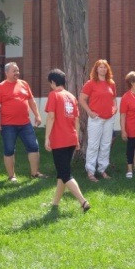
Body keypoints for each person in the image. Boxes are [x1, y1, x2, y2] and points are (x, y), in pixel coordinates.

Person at [44, 69, 91, 212]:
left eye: (50, 83)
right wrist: (76, 138)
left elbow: (51, 117)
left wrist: (47, 137)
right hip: (71, 138)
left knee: (65, 174)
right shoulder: (71, 96)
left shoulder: (54, 95)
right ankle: (55, 203)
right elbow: (76, 120)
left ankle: (83, 202)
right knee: (62, 173)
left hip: (59, 140)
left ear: (53, 82)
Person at [0, 61, 44, 182]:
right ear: (6, 73)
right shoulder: (0, 87)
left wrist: (37, 115)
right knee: (9, 149)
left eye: (18, 70)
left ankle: (35, 173)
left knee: (33, 146)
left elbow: (31, 101)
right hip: (8, 125)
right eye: (14, 71)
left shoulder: (24, 84)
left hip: (25, 124)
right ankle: (12, 176)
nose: (17, 72)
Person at [80, 59, 117, 182]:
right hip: (96, 119)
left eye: (105, 67)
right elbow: (82, 99)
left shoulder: (111, 83)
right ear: (96, 69)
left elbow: (113, 98)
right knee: (93, 145)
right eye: (100, 67)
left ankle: (102, 169)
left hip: (109, 118)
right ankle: (90, 171)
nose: (103, 69)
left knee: (106, 145)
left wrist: (115, 107)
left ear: (107, 69)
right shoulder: (90, 83)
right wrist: (89, 112)